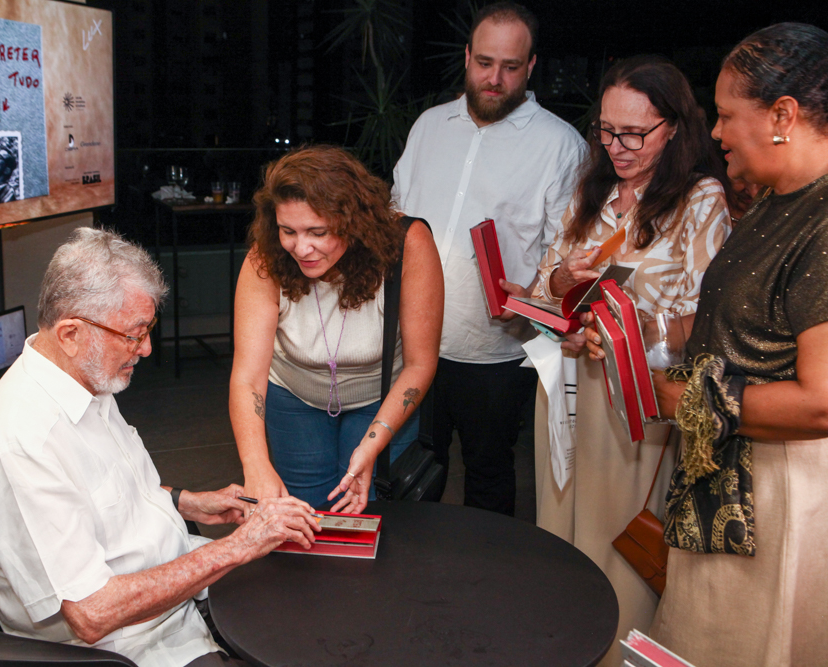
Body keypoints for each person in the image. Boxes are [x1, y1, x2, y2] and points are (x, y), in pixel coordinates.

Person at [0, 228, 320, 667]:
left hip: (176, 595)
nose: (146, 348)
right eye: (133, 335)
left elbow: (104, 496)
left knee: (308, 588)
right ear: (71, 333)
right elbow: (92, 613)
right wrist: (238, 546)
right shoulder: (24, 440)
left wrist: (188, 502)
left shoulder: (83, 376)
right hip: (131, 646)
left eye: (147, 329)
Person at [530, 55, 732, 666]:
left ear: (674, 128)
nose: (616, 147)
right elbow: (541, 289)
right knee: (558, 526)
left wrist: (640, 327)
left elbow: (709, 317)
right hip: (564, 383)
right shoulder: (587, 191)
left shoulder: (699, 199)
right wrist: (562, 283)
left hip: (636, 396)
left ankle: (617, 652)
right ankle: (560, 645)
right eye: (607, 130)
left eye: (634, 134)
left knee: (616, 537)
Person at [650, 24, 828, 666]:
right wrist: (647, 338)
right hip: (732, 483)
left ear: (783, 115)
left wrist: (690, 403)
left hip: (777, 497)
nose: (717, 132)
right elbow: (739, 327)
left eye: (726, 115)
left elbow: (821, 402)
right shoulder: (778, 202)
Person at [391, 1, 587, 515]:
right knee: (410, 475)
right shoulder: (429, 126)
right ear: (466, 57)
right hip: (414, 344)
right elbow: (397, 215)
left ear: (532, 66)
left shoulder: (560, 145)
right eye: (484, 62)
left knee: (489, 476)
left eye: (510, 66)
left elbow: (568, 254)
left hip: (495, 355)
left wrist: (535, 298)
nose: (495, 79)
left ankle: (489, 567)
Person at [230, 145, 443, 515]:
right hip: (294, 397)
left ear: (353, 221)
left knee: (372, 513)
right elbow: (248, 376)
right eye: (288, 231)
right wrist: (256, 464)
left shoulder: (407, 243)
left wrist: (371, 444)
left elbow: (420, 363)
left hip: (381, 396)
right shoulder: (265, 256)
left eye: (318, 231)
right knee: (304, 514)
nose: (301, 248)